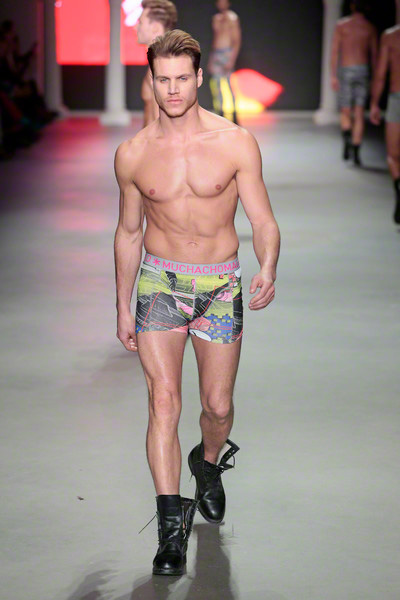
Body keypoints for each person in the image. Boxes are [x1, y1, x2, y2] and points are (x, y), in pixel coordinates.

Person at [114, 29, 280, 576]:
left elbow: (263, 219)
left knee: (218, 406)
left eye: (182, 78)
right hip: (159, 284)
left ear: (199, 78)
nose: (173, 90)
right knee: (163, 403)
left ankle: (207, 464)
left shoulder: (235, 142)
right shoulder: (133, 154)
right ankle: (170, 532)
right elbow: (128, 233)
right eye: (163, 80)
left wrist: (268, 265)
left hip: (220, 287)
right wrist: (122, 306)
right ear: (151, 81)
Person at [330, 0, 378, 165]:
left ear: (352, 6)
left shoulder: (342, 26)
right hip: (363, 71)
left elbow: (335, 52)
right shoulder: (370, 28)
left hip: (346, 70)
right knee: (359, 112)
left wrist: (333, 75)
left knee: (345, 110)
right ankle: (356, 151)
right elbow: (374, 56)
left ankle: (347, 139)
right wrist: (374, 78)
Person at [370, 25, 400, 224]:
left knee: (393, 154)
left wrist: (374, 104)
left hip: (396, 98)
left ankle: (398, 189)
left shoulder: (391, 36)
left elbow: (381, 74)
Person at [136, 0, 177, 126]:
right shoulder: (157, 62)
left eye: (140, 22)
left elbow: (164, 124)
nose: (136, 27)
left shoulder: (161, 66)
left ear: (155, 27)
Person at [208, 0, 241, 124]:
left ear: (228, 3)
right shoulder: (216, 18)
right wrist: (211, 58)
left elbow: (236, 40)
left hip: (227, 53)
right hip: (217, 53)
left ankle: (234, 115)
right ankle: (220, 114)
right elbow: (215, 38)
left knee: (229, 85)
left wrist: (232, 59)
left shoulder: (232, 18)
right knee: (216, 85)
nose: (221, 4)